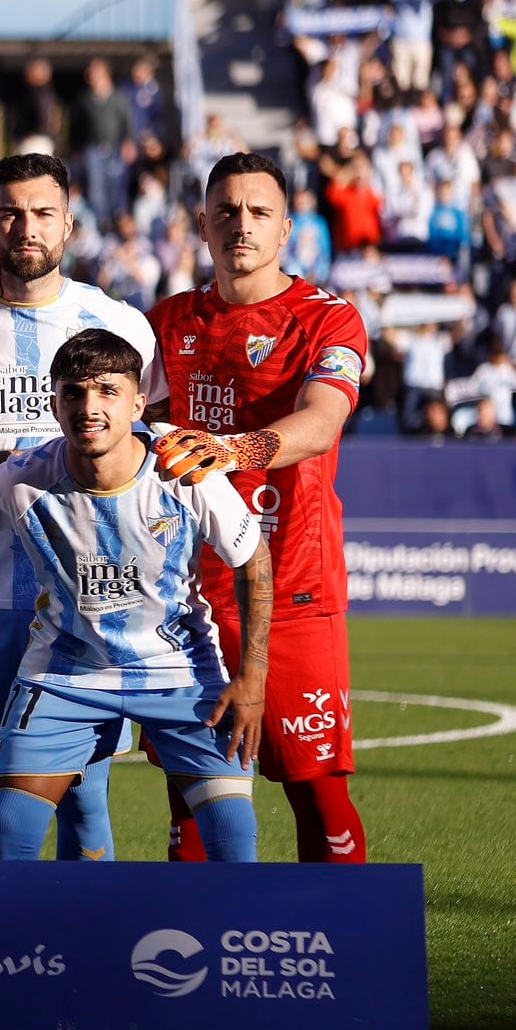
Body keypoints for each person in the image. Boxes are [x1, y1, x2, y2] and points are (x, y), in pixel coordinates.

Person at [0, 153, 157, 862]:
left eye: (43, 212)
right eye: (12, 212)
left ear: (69, 224)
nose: (27, 226)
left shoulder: (119, 325)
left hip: (85, 607)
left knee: (86, 796)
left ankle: (90, 954)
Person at [0, 329, 269, 862]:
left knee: (235, 840)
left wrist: (253, 676)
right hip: (65, 674)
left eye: (107, 391)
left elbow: (253, 559)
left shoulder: (184, 471)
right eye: (73, 392)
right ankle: (26, 946)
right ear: (54, 402)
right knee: (10, 830)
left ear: (139, 402)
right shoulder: (23, 480)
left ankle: (232, 944)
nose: (88, 406)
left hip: (179, 670)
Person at [144, 151, 372, 863]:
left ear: (287, 230)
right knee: (193, 799)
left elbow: (322, 423)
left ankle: (343, 951)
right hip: (189, 602)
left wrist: (232, 451)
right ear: (203, 227)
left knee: (316, 791)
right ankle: (190, 963)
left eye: (259, 212)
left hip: (294, 587)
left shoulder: (327, 320)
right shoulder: (163, 324)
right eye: (226, 211)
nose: (241, 224)